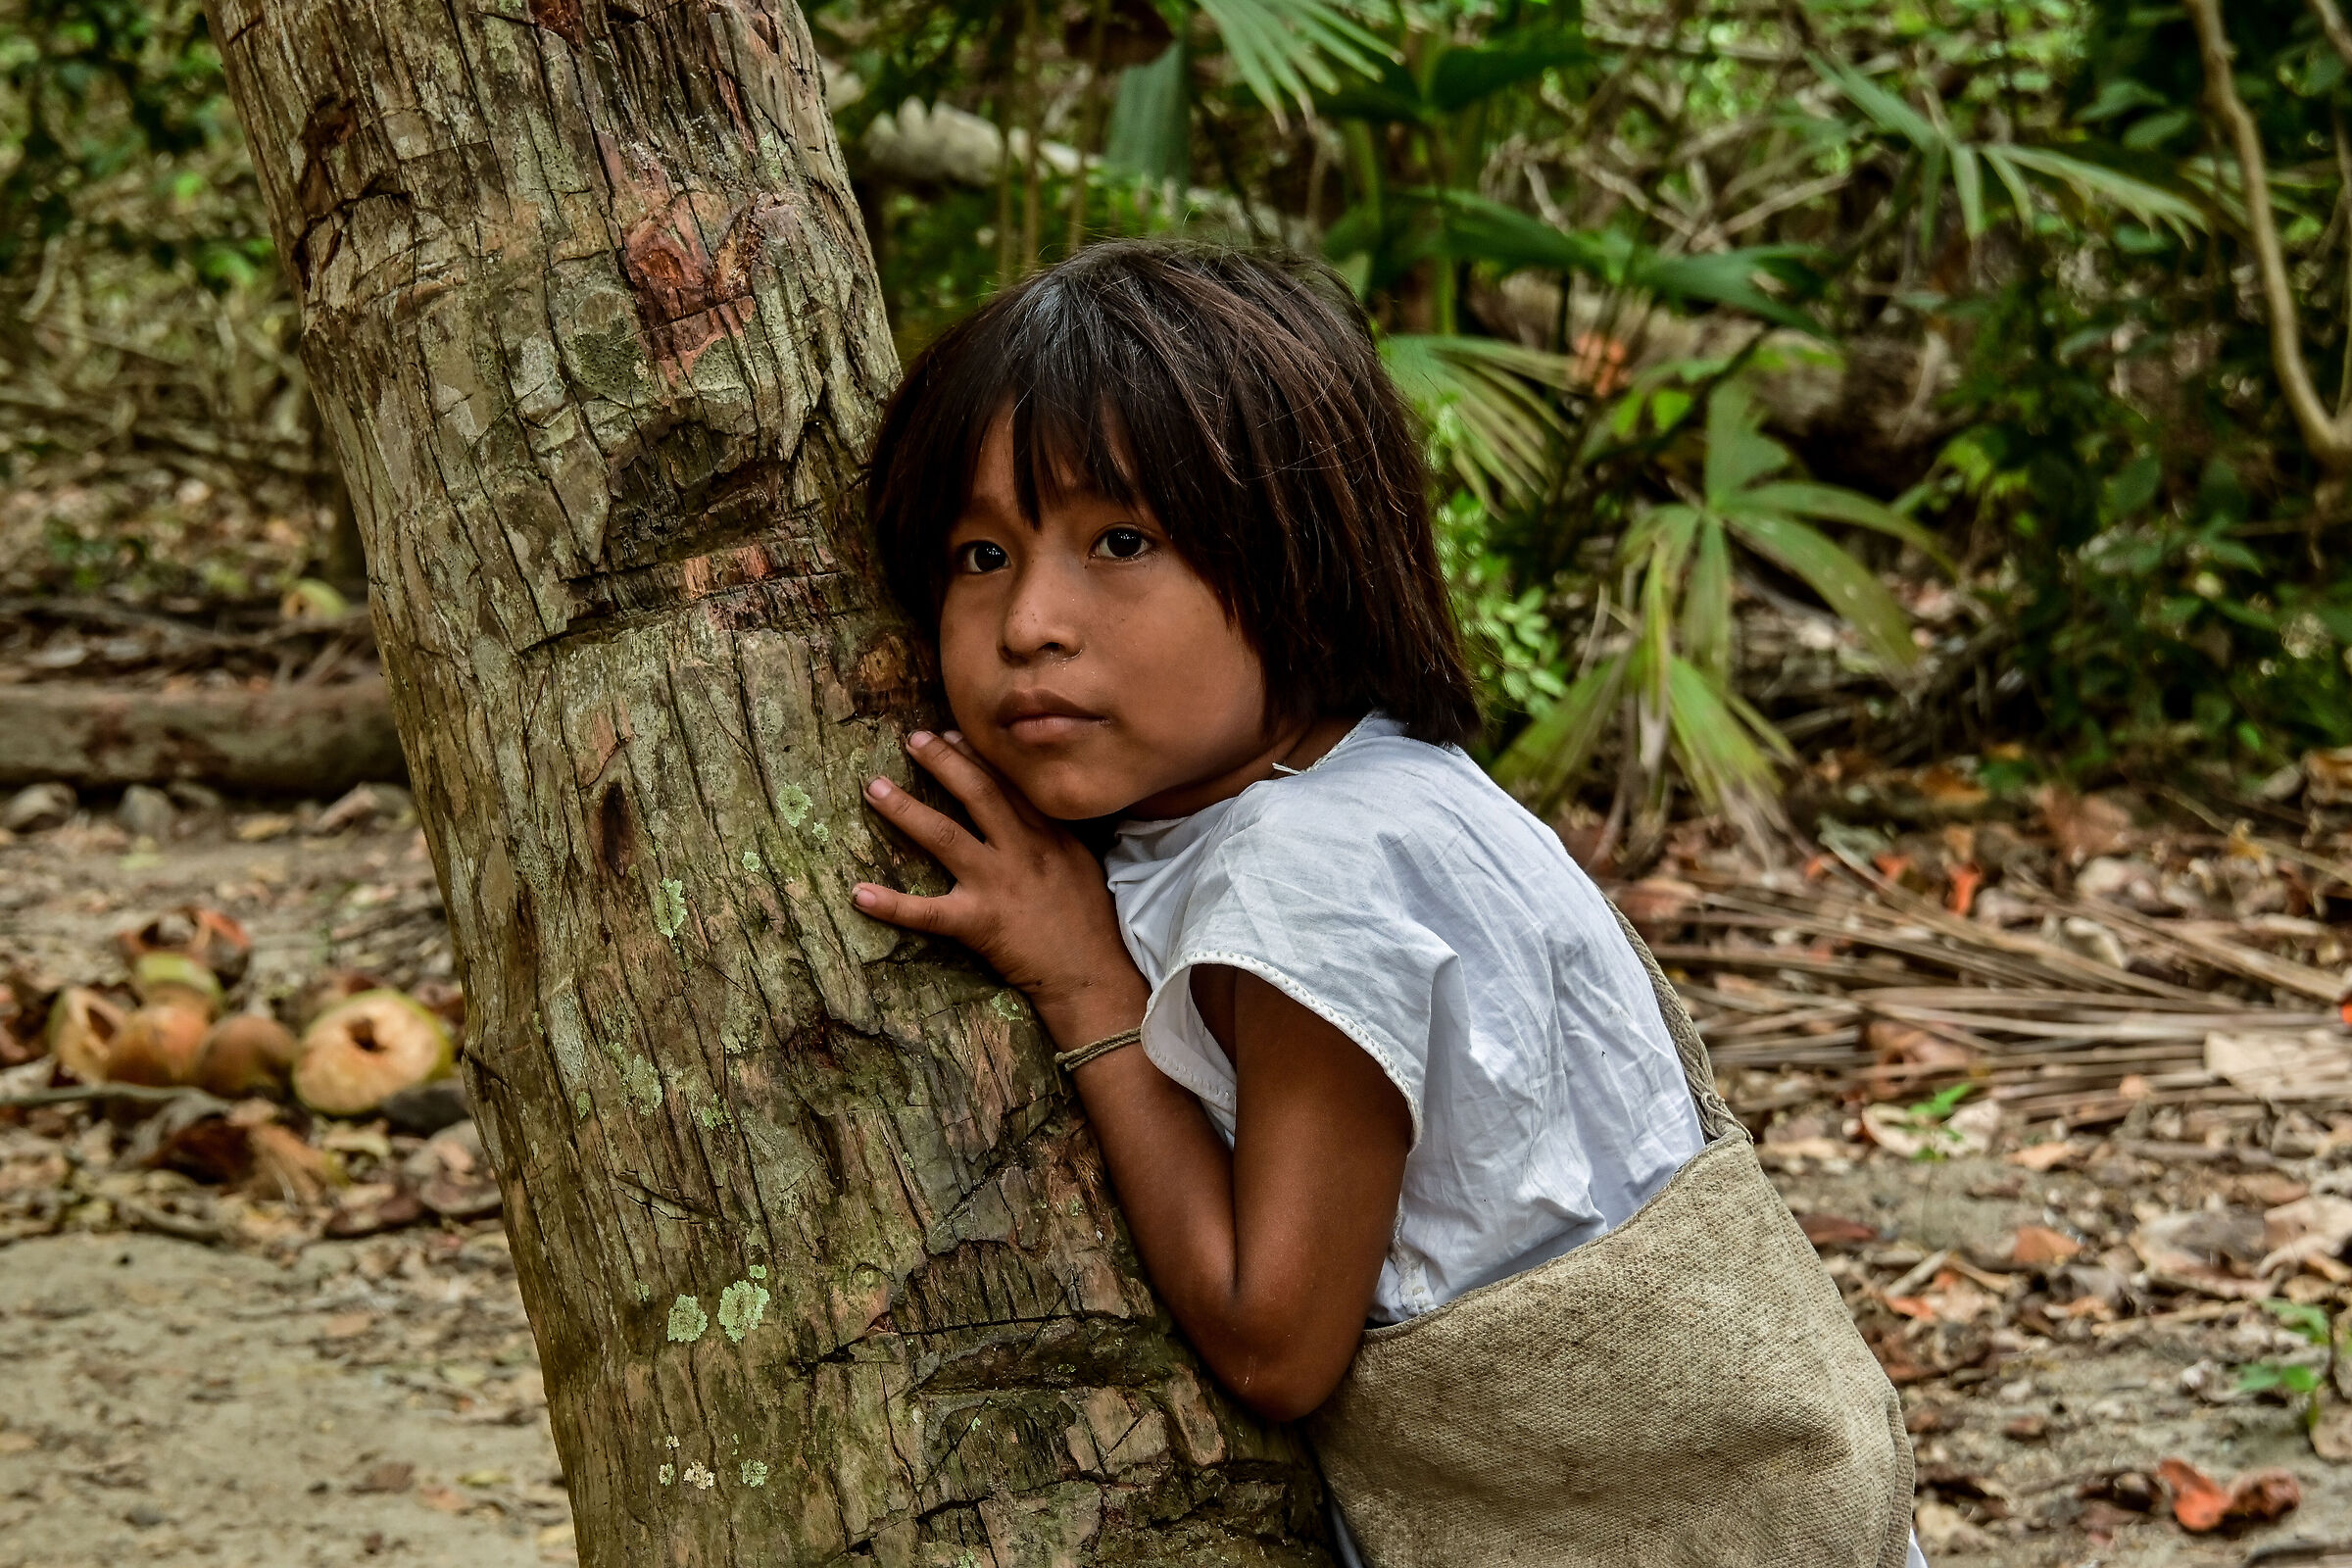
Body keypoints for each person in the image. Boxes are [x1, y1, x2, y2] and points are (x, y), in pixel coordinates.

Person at [854, 239, 1923, 1568]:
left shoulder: (1311, 872)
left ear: (1299, 557)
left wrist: (1082, 980)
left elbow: (1275, 1340)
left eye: (1121, 541)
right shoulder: (1388, 785)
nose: (1031, 624)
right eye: (977, 554)